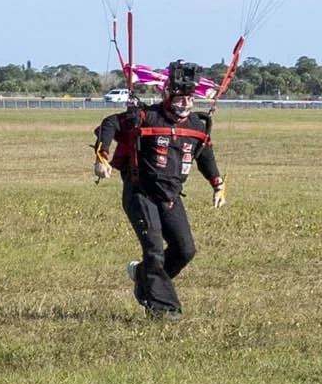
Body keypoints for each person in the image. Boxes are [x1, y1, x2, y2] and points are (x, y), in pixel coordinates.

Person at [94, 62, 225, 318]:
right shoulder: (146, 117)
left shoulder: (197, 125)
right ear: (167, 96)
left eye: (189, 99)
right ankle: (163, 308)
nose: (184, 104)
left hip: (171, 197)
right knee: (154, 250)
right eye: (179, 99)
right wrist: (102, 157)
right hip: (140, 192)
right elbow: (110, 123)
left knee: (185, 250)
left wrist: (217, 184)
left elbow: (205, 155)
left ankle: (144, 276)